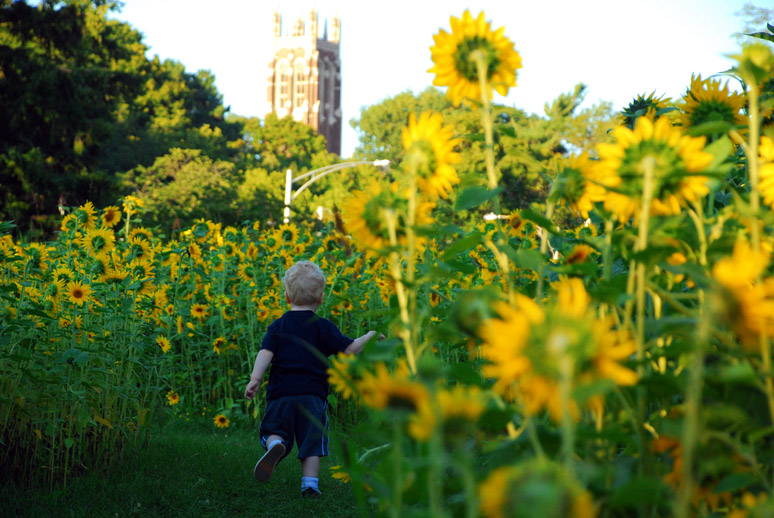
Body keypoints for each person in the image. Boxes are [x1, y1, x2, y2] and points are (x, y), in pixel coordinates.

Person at [244, 260, 380, 498]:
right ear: (320, 299)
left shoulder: (278, 326)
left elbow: (265, 353)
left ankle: (276, 443)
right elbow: (349, 349)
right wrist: (369, 336)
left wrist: (256, 378)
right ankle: (310, 486)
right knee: (311, 442)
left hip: (281, 394)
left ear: (287, 297)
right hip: (313, 396)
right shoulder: (323, 327)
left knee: (273, 428)